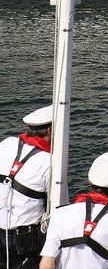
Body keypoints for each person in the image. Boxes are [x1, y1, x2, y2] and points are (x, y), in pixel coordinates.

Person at [0, 106, 52, 269]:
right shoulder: (48, 161)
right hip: (27, 240)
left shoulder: (7, 143)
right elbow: (59, 204)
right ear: (50, 131)